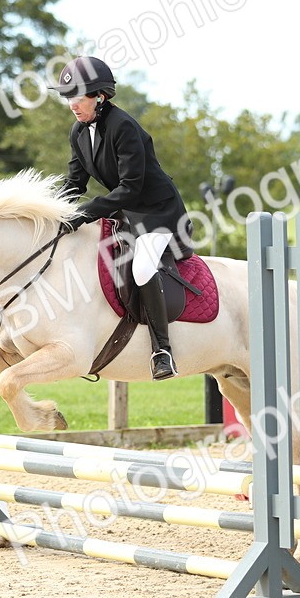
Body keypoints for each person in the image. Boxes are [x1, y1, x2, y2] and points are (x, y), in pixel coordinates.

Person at [51, 55, 193, 380]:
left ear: (99, 96)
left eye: (78, 96)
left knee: (142, 266)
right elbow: (74, 183)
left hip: (159, 214)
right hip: (127, 215)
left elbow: (130, 188)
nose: (72, 104)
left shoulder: (123, 127)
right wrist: (52, 212)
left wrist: (85, 213)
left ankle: (162, 352)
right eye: (68, 97)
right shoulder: (78, 131)